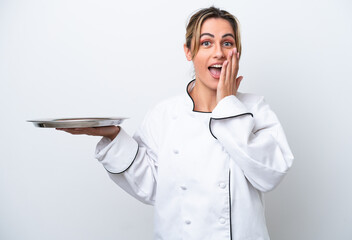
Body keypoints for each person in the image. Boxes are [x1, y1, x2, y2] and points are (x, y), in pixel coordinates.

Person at [57, 6, 294, 240]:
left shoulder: (254, 108)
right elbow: (152, 187)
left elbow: (270, 175)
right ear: (189, 51)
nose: (219, 53)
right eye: (206, 43)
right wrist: (113, 136)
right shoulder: (165, 114)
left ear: (237, 53)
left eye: (228, 43)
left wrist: (228, 106)